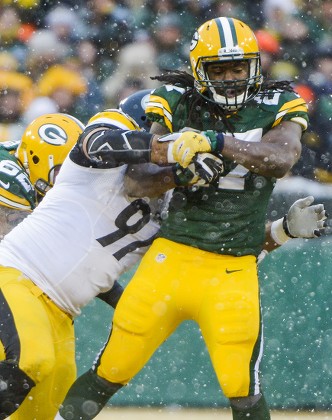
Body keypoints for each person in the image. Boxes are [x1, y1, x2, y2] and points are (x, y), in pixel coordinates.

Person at [55, 17, 312, 420]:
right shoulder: (175, 98)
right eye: (219, 69)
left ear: (255, 66)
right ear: (198, 71)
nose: (230, 78)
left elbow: (281, 160)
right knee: (110, 370)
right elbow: (137, 182)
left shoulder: (279, 102)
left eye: (238, 67)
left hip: (233, 269)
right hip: (171, 259)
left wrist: (215, 142)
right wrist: (182, 171)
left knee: (242, 388)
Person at [0, 103, 223, 419]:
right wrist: (166, 149)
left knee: (43, 408)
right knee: (30, 361)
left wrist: (281, 231)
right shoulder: (96, 161)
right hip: (17, 274)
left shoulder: (173, 206)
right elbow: (100, 139)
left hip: (62, 310)